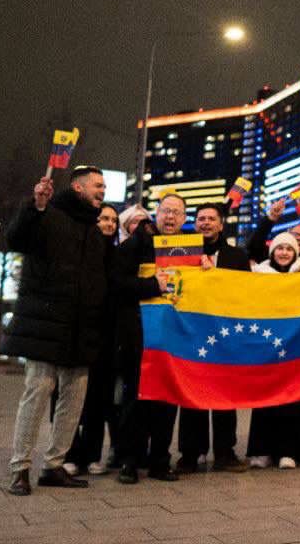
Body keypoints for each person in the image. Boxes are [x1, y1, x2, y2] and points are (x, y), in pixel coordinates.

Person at [3, 167, 111, 495]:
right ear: (78, 187)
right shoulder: (48, 216)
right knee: (38, 392)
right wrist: (34, 205)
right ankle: (20, 468)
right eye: (98, 185)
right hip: (46, 325)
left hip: (81, 328)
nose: (103, 190)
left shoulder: (94, 231)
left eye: (104, 186)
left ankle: (54, 465)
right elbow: (16, 239)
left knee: (73, 399)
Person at [176, 203, 251, 474]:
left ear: (221, 225)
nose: (205, 223)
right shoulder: (182, 252)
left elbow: (245, 293)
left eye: (211, 219)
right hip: (192, 332)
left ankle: (225, 451)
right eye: (201, 218)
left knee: (224, 393)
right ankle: (189, 453)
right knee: (191, 393)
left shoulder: (237, 256)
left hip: (225, 333)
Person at [114, 193, 181, 485]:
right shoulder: (136, 243)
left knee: (168, 400)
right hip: (140, 334)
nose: (170, 217)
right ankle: (129, 460)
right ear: (156, 213)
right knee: (135, 398)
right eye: (166, 211)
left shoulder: (190, 248)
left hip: (174, 336)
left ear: (184, 218)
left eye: (177, 213)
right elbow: (118, 283)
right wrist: (154, 285)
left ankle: (160, 460)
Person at [64, 203, 122, 476]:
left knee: (99, 401)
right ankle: (70, 454)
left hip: (106, 339)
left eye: (113, 219)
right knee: (71, 399)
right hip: (79, 334)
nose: (109, 223)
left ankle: (92, 455)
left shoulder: (120, 255)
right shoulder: (79, 250)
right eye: (104, 218)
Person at [245, 233, 300, 471]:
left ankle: (288, 451)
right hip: (265, 343)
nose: (284, 253)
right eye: (280, 248)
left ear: (295, 253)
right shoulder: (258, 276)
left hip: (295, 344)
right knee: (264, 396)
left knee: (291, 399)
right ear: (272, 252)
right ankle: (260, 450)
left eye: (289, 249)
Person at [246, 198, 300, 270]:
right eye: (295, 234)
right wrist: (271, 218)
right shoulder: (274, 257)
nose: (299, 238)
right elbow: (254, 246)